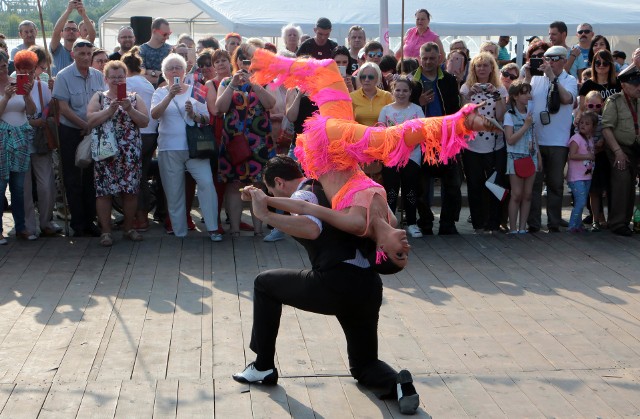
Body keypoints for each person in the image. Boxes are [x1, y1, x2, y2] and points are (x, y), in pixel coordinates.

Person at [233, 156, 421, 415]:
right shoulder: (342, 189)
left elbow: (311, 228)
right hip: (368, 286)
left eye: (272, 191)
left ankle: (263, 366)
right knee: (364, 364)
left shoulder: (305, 192)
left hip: (336, 283)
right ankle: (401, 386)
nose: (274, 195)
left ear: (279, 182)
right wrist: (259, 198)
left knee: (264, 284)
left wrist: (265, 214)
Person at [150, 53, 221, 241]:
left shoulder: (196, 89)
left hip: (194, 148)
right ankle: (179, 231)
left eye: (178, 67)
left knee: (206, 183)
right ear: (164, 73)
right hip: (168, 148)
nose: (174, 70)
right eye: (170, 68)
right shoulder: (159, 92)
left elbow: (207, 118)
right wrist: (170, 95)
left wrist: (195, 115)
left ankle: (213, 228)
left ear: (185, 71)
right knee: (173, 191)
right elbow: (154, 115)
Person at [86, 60, 149, 246]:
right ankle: (106, 232)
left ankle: (129, 228)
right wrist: (109, 110)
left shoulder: (135, 98)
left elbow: (145, 121)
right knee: (104, 193)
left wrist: (129, 108)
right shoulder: (99, 97)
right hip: (106, 152)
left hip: (129, 152)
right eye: (113, 78)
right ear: (105, 79)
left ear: (126, 77)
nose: (117, 81)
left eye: (120, 77)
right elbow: (89, 120)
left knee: (130, 192)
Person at [216, 44, 275, 237]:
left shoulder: (263, 80)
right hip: (234, 142)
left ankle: (258, 230)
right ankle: (234, 228)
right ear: (237, 61)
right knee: (234, 184)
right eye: (242, 58)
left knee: (258, 185)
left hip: (259, 142)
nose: (246, 62)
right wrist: (233, 84)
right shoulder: (227, 82)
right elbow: (220, 108)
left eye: (250, 59)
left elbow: (270, 104)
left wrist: (255, 83)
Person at [411, 41, 464, 235]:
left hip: (446, 139)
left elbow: (456, 110)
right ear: (419, 58)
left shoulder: (449, 80)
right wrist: (419, 102)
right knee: (422, 188)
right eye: (424, 58)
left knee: (452, 185)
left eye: (432, 58)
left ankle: (448, 223)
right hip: (422, 139)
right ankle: (425, 223)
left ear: (439, 58)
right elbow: (403, 107)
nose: (428, 62)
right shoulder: (411, 81)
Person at [52, 39, 105, 237]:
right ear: (73, 54)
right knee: (72, 178)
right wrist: (84, 126)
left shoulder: (98, 76)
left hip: (93, 131)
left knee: (93, 178)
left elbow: (102, 102)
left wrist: (91, 126)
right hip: (71, 132)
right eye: (81, 53)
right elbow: (63, 108)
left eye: (88, 54)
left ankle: (91, 220)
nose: (85, 57)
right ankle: (78, 222)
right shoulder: (63, 76)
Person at [524, 45, 578, 233]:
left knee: (555, 184)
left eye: (554, 58)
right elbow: (525, 101)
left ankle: (554, 223)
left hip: (558, 141)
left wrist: (553, 78)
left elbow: (566, 99)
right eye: (546, 58)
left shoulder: (569, 79)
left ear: (564, 61)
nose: (550, 62)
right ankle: (534, 223)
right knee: (535, 184)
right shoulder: (536, 79)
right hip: (537, 141)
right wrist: (526, 76)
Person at [460, 52, 508, 234]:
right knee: (474, 185)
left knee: (495, 184)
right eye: (478, 66)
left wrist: (496, 95)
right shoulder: (466, 88)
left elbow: (501, 116)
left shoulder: (500, 88)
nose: (481, 69)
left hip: (495, 144)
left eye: (485, 65)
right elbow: (462, 117)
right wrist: (468, 97)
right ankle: (478, 224)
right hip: (473, 144)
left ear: (491, 68)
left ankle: (494, 223)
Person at [379, 77, 425, 238]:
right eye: (398, 90)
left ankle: (412, 223)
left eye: (405, 90)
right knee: (390, 191)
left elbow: (421, 133)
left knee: (410, 191)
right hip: (391, 156)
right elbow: (381, 131)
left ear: (411, 92)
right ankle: (390, 224)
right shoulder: (386, 110)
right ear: (392, 91)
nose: (401, 93)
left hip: (412, 156)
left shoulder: (417, 110)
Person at [0, 50, 37, 244]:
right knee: (0, 186)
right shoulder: (7, 89)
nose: (3, 71)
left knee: (19, 187)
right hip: (2, 140)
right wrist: (5, 97)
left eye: (5, 67)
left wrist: (28, 95)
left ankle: (21, 227)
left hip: (20, 139)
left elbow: (31, 112)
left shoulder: (17, 83)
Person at [23, 46, 60, 237]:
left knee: (46, 184)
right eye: (24, 70)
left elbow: (51, 109)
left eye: (32, 69)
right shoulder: (12, 86)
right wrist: (31, 121)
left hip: (40, 142)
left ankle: (47, 221)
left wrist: (55, 93)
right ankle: (28, 226)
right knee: (25, 187)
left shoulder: (42, 86)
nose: (28, 74)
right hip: (20, 144)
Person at [600, 64, 640, 236]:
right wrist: (618, 152)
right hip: (619, 147)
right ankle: (617, 223)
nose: (639, 87)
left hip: (636, 148)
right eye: (635, 84)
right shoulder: (614, 101)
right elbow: (606, 128)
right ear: (624, 85)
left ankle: (628, 220)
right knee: (622, 179)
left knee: (631, 185)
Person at [122, 47, 158, 232]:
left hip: (138, 134)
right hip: (151, 134)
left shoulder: (128, 84)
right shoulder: (146, 83)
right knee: (141, 176)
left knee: (135, 178)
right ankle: (141, 217)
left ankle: (139, 217)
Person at [503, 80, 539, 234]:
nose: (528, 96)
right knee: (516, 194)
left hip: (531, 156)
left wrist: (539, 156)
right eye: (524, 93)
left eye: (528, 92)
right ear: (515, 96)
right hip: (515, 156)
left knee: (528, 194)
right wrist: (525, 125)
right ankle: (513, 228)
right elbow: (510, 139)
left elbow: (534, 136)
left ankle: (522, 227)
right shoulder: (509, 115)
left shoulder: (531, 114)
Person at [566, 111, 596, 232]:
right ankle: (572, 225)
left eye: (587, 123)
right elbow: (572, 155)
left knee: (581, 201)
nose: (583, 125)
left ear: (593, 127)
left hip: (587, 176)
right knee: (581, 201)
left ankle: (578, 225)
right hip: (576, 177)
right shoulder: (576, 138)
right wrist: (587, 156)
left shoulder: (590, 139)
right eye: (582, 123)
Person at [49, 0, 95, 76]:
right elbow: (56, 32)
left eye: (74, 29)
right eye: (67, 29)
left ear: (78, 33)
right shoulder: (56, 49)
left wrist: (83, 14)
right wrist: (68, 11)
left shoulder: (83, 48)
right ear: (62, 33)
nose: (71, 31)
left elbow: (92, 35)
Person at [583, 91, 607, 231]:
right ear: (586, 104)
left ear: (602, 105)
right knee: (592, 192)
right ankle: (595, 219)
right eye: (591, 105)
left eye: (597, 105)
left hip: (601, 158)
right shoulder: (580, 120)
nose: (594, 108)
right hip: (586, 160)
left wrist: (602, 142)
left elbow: (608, 134)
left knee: (601, 190)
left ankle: (601, 218)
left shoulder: (603, 120)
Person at [140, 18, 172, 87]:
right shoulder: (141, 50)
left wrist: (150, 72)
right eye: (164, 34)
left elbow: (172, 75)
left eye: (169, 34)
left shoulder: (170, 50)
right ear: (154, 31)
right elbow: (141, 76)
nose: (167, 37)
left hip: (166, 93)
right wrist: (161, 76)